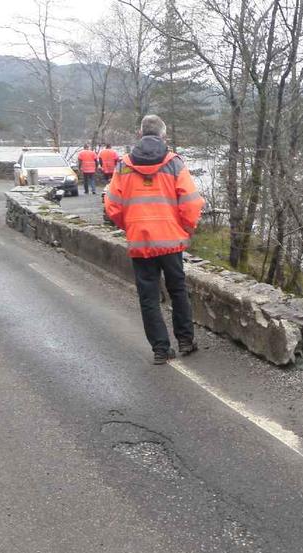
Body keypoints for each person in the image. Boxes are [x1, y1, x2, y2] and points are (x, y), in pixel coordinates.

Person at [104, 115, 205, 365]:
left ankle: (161, 349)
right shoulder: (174, 163)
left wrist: (132, 227)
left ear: (140, 134)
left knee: (148, 296)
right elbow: (191, 202)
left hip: (140, 243)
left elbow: (113, 207)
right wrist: (187, 229)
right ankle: (185, 340)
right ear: (163, 136)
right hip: (171, 241)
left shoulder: (124, 165)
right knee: (178, 290)